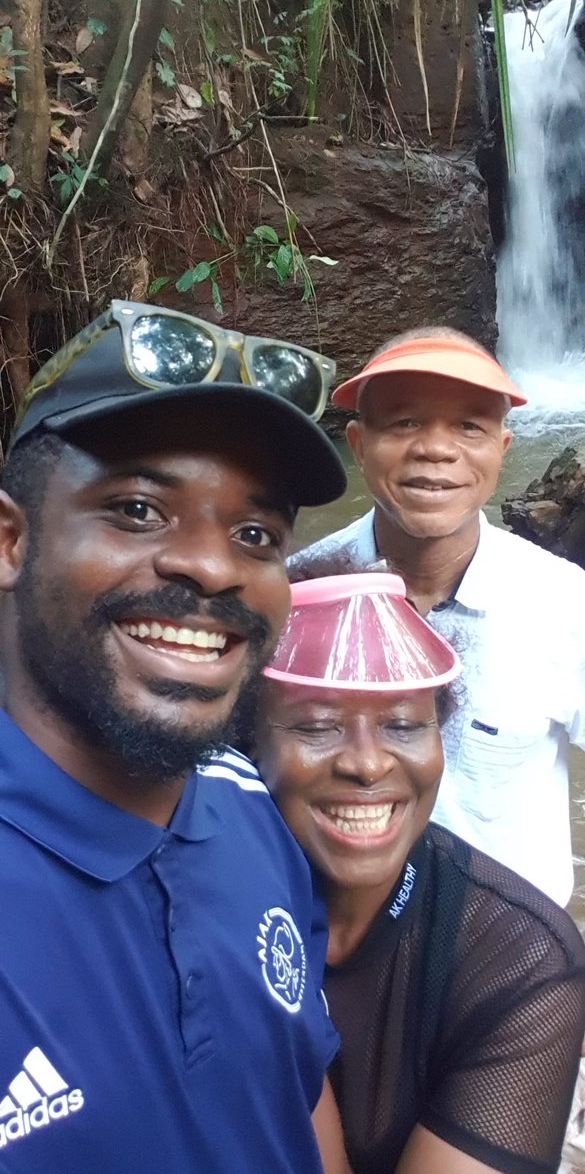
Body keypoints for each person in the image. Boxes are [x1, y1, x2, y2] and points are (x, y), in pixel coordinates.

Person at [0, 299, 351, 1173]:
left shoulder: (248, 807)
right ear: (10, 540)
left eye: (255, 533)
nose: (214, 564)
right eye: (137, 509)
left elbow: (295, 1087)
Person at [255, 569, 585, 1174]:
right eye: (316, 724)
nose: (366, 763)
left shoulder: (520, 958)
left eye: (403, 724)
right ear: (246, 743)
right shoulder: (185, 901)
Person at [289, 328, 585, 906]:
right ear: (358, 444)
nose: (436, 449)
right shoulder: (301, 593)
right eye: (403, 423)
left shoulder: (565, 605)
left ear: (502, 451)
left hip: (512, 965)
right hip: (336, 946)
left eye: (469, 426)